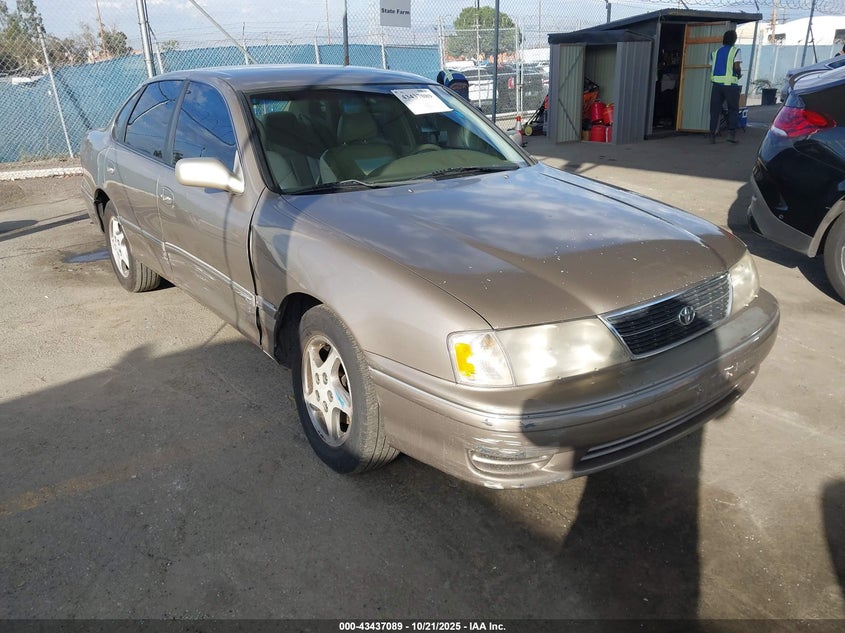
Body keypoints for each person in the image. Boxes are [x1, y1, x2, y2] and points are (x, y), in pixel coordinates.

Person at [709, 30, 742, 144]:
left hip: (716, 85)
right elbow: (736, 67)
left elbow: (713, 66)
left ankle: (712, 135)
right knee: (733, 109)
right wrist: (738, 74)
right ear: (734, 40)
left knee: (715, 111)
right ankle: (731, 135)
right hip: (730, 85)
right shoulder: (735, 51)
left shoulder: (715, 52)